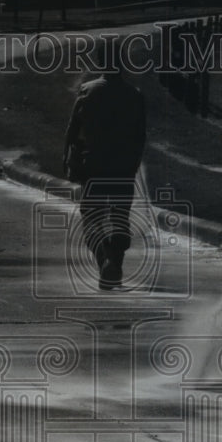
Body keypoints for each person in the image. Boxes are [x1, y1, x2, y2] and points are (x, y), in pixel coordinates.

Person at [63, 41, 146, 291]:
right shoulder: (135, 95)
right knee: (120, 216)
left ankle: (105, 260)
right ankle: (115, 264)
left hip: (93, 166)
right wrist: (133, 164)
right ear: (123, 63)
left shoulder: (88, 91)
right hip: (123, 167)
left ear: (100, 63)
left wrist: (67, 157)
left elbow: (72, 129)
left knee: (91, 217)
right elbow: (140, 136)